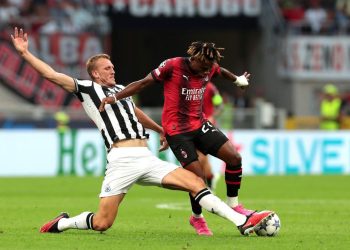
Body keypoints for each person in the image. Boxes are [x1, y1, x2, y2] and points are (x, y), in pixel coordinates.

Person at [10, 28, 273, 236]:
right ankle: (63, 224)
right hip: (121, 161)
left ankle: (242, 221)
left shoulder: (120, 90)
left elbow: (135, 114)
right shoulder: (87, 89)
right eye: (107, 68)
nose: (113, 70)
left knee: (196, 182)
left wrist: (160, 130)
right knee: (103, 222)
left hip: (145, 158)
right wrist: (24, 54)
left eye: (112, 66)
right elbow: (53, 75)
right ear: (94, 74)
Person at [99, 41, 258, 236]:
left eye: (209, 68)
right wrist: (115, 97)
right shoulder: (173, 66)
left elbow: (221, 71)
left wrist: (237, 80)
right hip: (177, 132)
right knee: (197, 179)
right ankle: (197, 218)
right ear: (194, 60)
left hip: (199, 124)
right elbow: (143, 83)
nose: (205, 72)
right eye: (203, 68)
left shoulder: (209, 66)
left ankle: (234, 205)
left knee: (234, 158)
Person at [199, 81, 223, 192]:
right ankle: (210, 180)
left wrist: (212, 117)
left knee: (202, 156)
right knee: (202, 157)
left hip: (206, 126)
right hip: (194, 126)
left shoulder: (211, 88)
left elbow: (220, 106)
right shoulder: (190, 86)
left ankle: (207, 183)